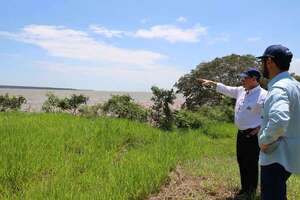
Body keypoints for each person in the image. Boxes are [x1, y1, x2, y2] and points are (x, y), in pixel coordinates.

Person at [199, 67, 267, 200]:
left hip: (253, 136)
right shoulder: (241, 90)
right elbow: (226, 88)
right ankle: (244, 188)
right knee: (241, 161)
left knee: (251, 163)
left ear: (254, 79)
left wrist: (261, 127)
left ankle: (251, 192)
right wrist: (212, 83)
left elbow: (270, 114)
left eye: (245, 77)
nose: (242, 80)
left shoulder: (264, 95)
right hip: (241, 134)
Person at [257, 44, 300, 200]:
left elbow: (279, 120)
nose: (262, 66)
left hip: (276, 156)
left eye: (263, 62)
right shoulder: (295, 85)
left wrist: (264, 140)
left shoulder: (278, 89)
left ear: (269, 62)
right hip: (291, 154)